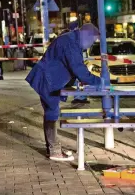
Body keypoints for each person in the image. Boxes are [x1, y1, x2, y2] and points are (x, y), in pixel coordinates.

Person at [26, 23, 102, 161]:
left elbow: (73, 67)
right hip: (47, 81)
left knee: (51, 112)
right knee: (52, 113)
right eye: (92, 41)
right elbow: (79, 69)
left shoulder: (72, 40)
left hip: (48, 80)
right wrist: (100, 81)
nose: (91, 45)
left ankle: (53, 147)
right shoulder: (71, 43)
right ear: (86, 35)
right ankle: (54, 151)